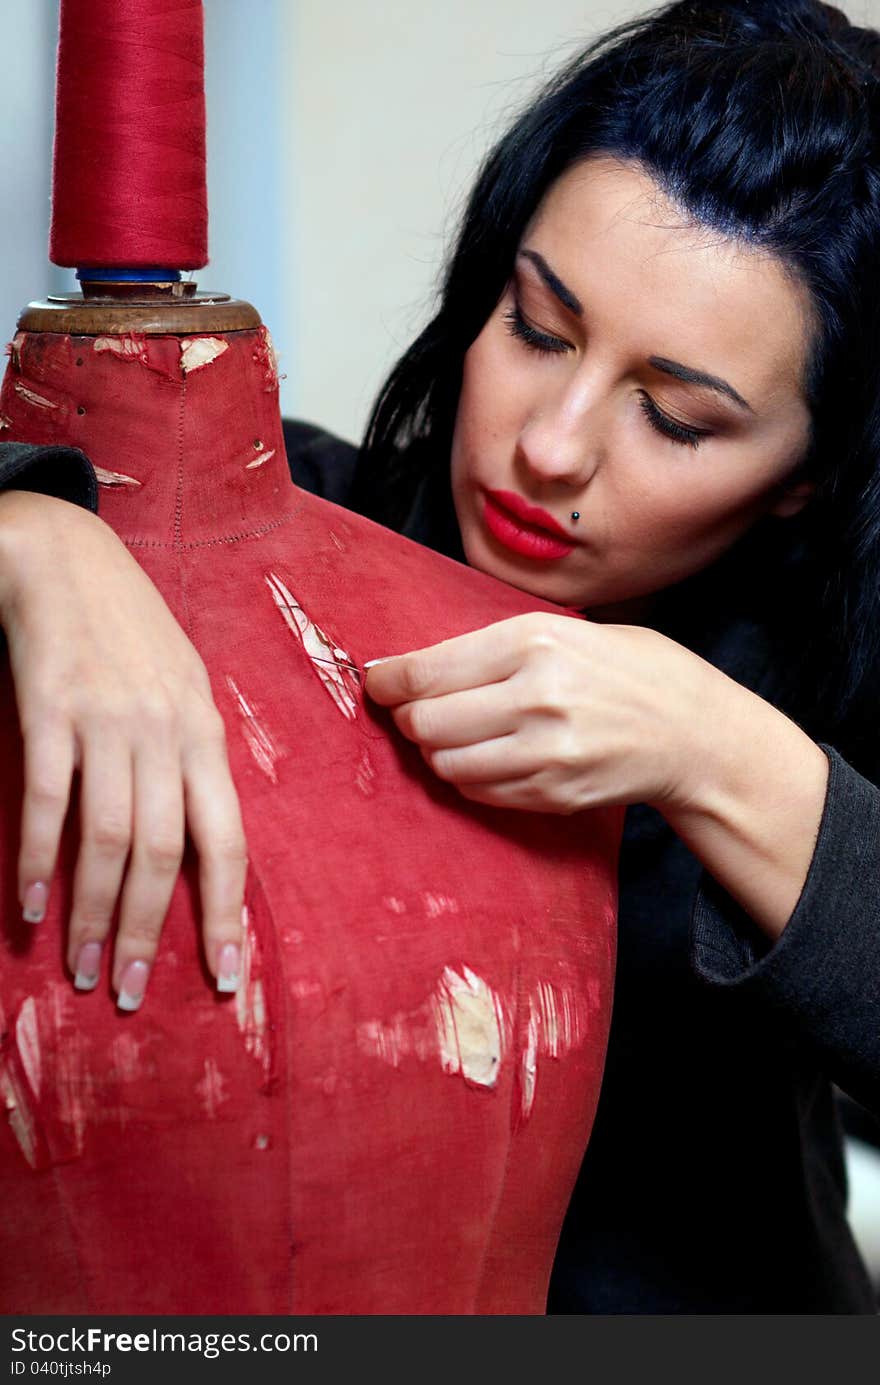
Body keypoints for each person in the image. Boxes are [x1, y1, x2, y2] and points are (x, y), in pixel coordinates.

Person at [1, 0, 879, 1312]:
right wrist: (28, 526)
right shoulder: (260, 513)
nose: (554, 444)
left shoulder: (814, 677)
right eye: (536, 327)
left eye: (676, 416)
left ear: (807, 477)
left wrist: (711, 742)